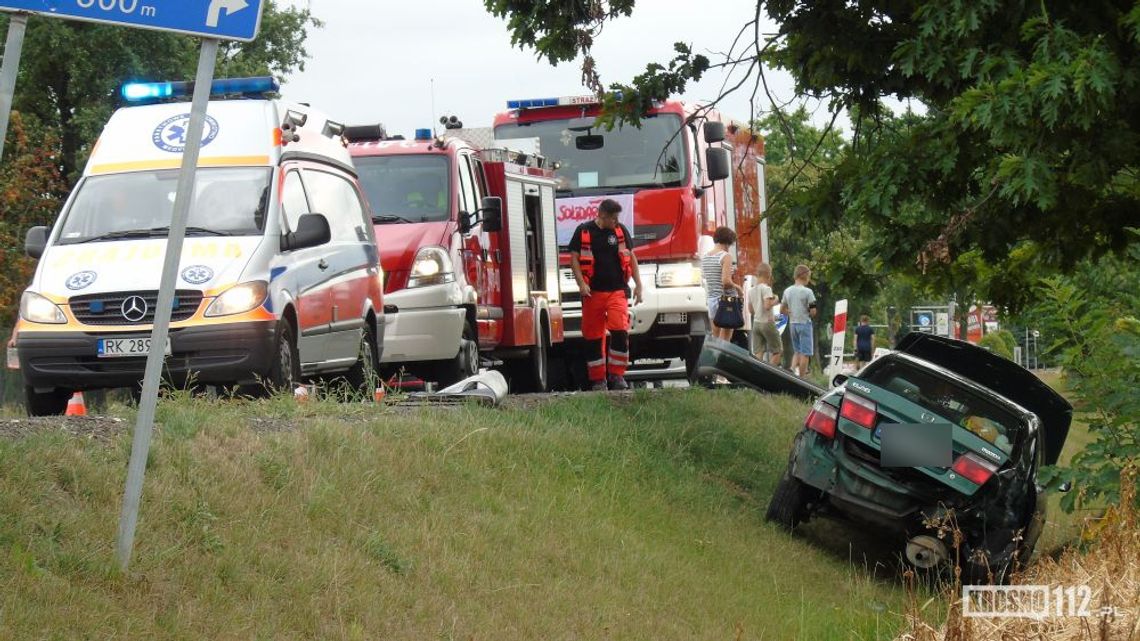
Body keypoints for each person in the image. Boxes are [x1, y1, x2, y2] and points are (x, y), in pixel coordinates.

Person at [569, 199, 644, 391]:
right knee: (593, 336)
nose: (616, 222)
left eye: (617, 218)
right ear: (602, 216)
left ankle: (616, 376)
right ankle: (598, 380)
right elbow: (575, 259)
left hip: (617, 291)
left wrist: (639, 285)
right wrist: (581, 284)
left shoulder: (620, 231)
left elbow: (631, 257)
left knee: (620, 329)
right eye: (613, 218)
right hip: (592, 293)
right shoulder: (584, 231)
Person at [701, 226, 742, 342]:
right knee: (725, 341)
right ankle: (723, 360)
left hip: (711, 300)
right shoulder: (725, 256)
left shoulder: (705, 257)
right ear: (728, 242)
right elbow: (726, 282)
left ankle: (714, 359)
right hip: (725, 301)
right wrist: (738, 288)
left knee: (715, 338)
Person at [781, 264, 817, 378]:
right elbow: (813, 311)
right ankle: (802, 377)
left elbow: (782, 309)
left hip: (792, 324)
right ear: (806, 277)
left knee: (797, 351)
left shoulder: (787, 291)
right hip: (805, 323)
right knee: (805, 354)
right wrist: (807, 311)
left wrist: (790, 313)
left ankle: (792, 368)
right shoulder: (808, 292)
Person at [748, 262, 782, 367]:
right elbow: (767, 306)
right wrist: (776, 300)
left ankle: (757, 375)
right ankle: (768, 373)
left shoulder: (751, 290)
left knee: (759, 352)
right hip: (767, 322)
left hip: (756, 323)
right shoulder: (767, 289)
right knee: (778, 351)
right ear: (769, 275)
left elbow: (750, 310)